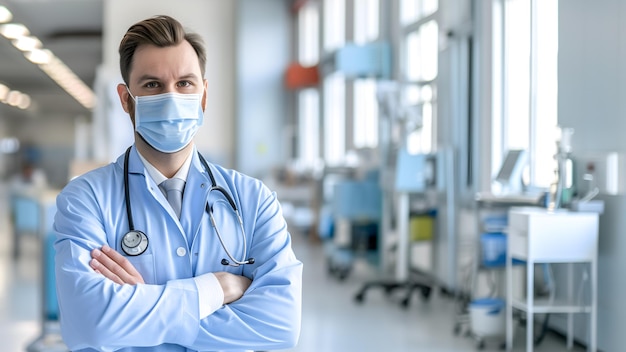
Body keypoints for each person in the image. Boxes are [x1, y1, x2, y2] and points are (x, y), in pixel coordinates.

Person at [53, 15, 302, 352]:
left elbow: (280, 326)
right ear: (127, 100)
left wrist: (141, 309)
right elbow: (91, 324)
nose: (171, 97)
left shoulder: (253, 200)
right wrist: (216, 289)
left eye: (185, 83)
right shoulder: (86, 200)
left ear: (203, 95)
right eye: (152, 85)